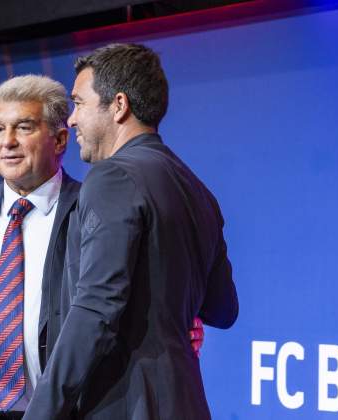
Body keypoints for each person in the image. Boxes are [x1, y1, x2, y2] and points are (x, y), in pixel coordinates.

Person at [0, 74, 205, 420]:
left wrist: (174, 322)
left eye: (23, 127)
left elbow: (118, 304)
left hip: (67, 412)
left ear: (60, 139)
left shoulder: (95, 208)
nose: (7, 142)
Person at [24, 44, 239, 420]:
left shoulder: (112, 177)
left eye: (79, 103)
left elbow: (95, 309)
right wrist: (168, 317)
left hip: (124, 404)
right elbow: (223, 308)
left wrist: (41, 412)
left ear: (119, 105)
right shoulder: (198, 190)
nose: (71, 120)